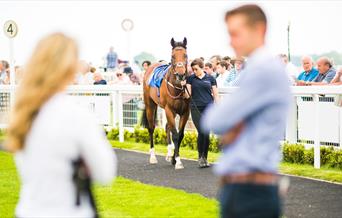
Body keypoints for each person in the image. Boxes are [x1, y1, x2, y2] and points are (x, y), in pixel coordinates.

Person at [5, 33, 117, 217]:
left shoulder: (23, 113)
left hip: (28, 211)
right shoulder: (76, 115)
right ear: (68, 68)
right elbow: (105, 172)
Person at [201, 5, 291, 218]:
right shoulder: (259, 69)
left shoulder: (263, 70)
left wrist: (233, 124)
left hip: (250, 192)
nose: (230, 41)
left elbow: (213, 120)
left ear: (259, 29)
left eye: (235, 33)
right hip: (247, 188)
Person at [183, 58, 219, 168]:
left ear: (202, 67)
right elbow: (187, 96)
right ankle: (200, 157)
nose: (194, 71)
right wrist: (184, 86)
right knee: (202, 130)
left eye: (196, 69)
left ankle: (205, 158)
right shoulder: (190, 79)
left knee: (206, 133)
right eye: (193, 69)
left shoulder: (211, 78)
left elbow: (215, 95)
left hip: (209, 108)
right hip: (196, 108)